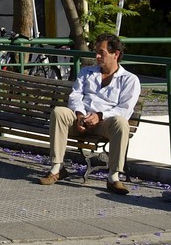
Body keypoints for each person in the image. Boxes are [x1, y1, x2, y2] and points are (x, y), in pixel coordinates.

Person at [36, 33, 141, 194]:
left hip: (105, 123)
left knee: (121, 122)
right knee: (59, 112)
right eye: (96, 52)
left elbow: (124, 109)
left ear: (116, 54)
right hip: (81, 119)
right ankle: (57, 168)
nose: (97, 56)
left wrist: (99, 116)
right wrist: (79, 116)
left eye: (102, 52)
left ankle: (113, 177)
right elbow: (75, 96)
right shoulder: (87, 72)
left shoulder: (129, 80)